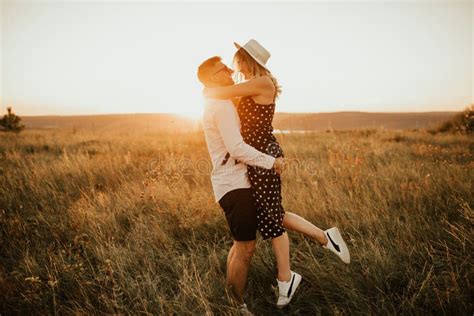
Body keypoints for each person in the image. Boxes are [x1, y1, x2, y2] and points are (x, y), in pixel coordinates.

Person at [203, 39, 351, 307]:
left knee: (271, 218)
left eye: (236, 62)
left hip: (263, 156)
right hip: (257, 158)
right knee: (273, 214)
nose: (235, 68)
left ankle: (286, 279)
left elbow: (219, 94)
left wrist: (209, 88)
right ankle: (323, 237)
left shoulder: (262, 82)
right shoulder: (250, 85)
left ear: (248, 60)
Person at [198, 56, 285, 313]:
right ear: (213, 78)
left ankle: (230, 297)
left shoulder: (220, 101)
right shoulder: (221, 107)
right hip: (233, 184)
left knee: (240, 244)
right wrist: (271, 162)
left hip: (233, 182)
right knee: (246, 247)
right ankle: (237, 306)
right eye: (222, 68)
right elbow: (236, 148)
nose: (229, 69)